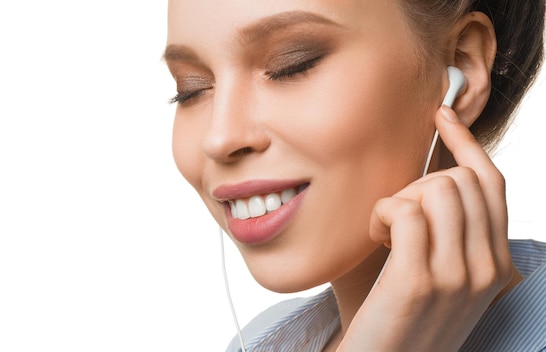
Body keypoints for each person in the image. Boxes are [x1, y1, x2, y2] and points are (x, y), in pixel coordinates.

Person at [164, 0, 546, 350]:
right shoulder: (267, 339)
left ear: (461, 67)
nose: (220, 138)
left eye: (291, 64)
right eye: (191, 90)